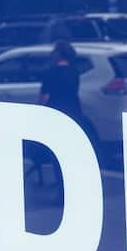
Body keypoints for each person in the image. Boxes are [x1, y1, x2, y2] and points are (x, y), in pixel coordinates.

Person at [35, 40, 89, 186]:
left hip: (56, 114)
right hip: (74, 114)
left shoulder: (50, 73)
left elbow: (44, 98)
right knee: (71, 154)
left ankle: (61, 189)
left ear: (58, 54)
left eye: (54, 51)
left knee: (58, 155)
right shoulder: (74, 72)